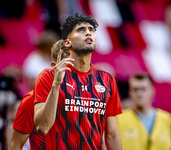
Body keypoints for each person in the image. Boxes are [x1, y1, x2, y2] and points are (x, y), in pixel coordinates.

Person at [34, 13, 122, 150]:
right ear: (67, 42)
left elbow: (112, 134)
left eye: (91, 30)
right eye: (81, 30)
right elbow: (42, 127)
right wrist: (56, 84)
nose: (88, 33)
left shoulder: (107, 79)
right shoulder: (48, 76)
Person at [9, 39, 69, 150]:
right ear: (53, 66)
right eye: (66, 66)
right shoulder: (31, 100)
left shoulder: (82, 99)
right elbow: (15, 146)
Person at [117, 73, 171, 150]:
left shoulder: (167, 119)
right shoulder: (119, 119)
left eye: (143, 89)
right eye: (135, 89)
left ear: (152, 91)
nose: (139, 94)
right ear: (129, 92)